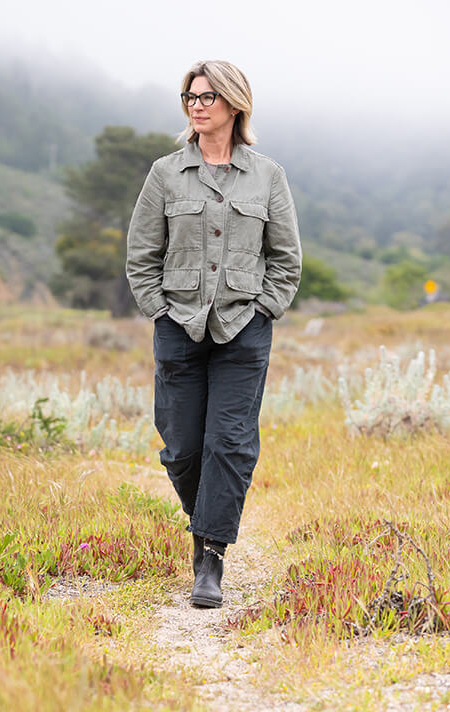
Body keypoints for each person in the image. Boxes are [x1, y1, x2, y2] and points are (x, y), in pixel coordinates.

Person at [125, 60, 302, 608]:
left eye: (207, 96)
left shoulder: (267, 176)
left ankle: (211, 560)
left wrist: (263, 312)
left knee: (228, 443)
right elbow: (141, 255)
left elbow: (286, 260)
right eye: (190, 96)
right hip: (178, 328)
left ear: (233, 104)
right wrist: (159, 310)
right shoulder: (164, 174)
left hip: (242, 333)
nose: (196, 105)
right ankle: (207, 520)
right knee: (180, 448)